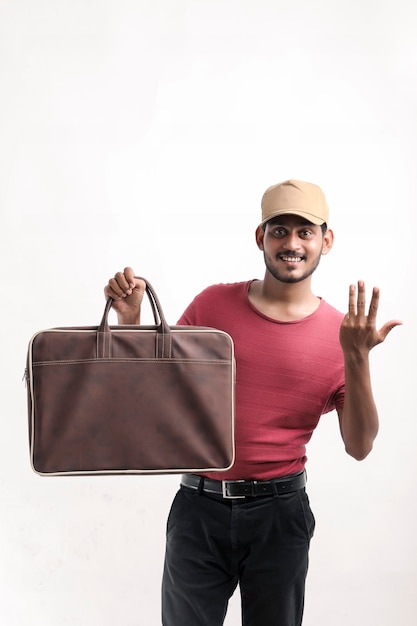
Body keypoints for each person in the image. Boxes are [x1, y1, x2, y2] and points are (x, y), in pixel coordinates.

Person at [104, 179, 401, 626]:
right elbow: (154, 394)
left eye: (306, 232)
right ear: (260, 236)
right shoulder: (212, 305)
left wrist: (356, 357)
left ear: (327, 240)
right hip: (197, 509)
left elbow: (359, 446)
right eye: (279, 230)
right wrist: (131, 323)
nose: (292, 243)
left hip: (280, 515)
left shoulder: (342, 334)